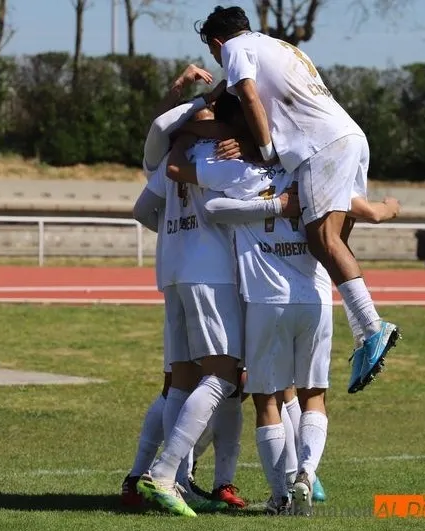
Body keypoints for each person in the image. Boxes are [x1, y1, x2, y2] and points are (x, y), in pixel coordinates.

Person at [167, 92, 401, 515]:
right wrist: (388, 209)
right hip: (314, 297)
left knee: (267, 400)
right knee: (313, 396)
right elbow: (362, 208)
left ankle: (279, 496)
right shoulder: (311, 167)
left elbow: (183, 175)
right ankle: (307, 476)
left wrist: (185, 131)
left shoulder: (236, 171)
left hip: (264, 300)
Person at [196, 6, 401, 394]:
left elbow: (251, 97)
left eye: (214, 53)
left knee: (321, 239)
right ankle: (363, 333)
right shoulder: (277, 46)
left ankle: (372, 328)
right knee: (335, 241)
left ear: (219, 42)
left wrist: (265, 149)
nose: (219, 62)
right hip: (349, 136)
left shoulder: (235, 49)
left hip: (320, 145)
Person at [127, 65, 245, 517]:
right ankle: (163, 474)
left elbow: (142, 209)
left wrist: (178, 232)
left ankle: (173, 483)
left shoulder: (179, 146)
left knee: (179, 381)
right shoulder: (222, 153)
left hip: (172, 270)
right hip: (210, 273)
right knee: (224, 375)